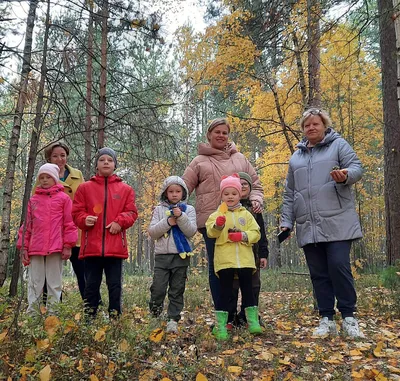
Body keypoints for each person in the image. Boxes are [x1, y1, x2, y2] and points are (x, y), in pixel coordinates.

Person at [280, 108, 364, 338]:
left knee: (339, 267)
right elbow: (290, 193)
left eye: (315, 124)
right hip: (308, 225)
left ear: (324, 125)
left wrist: (345, 175)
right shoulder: (296, 157)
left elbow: (357, 168)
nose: (311, 128)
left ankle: (349, 317)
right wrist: (286, 222)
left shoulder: (338, 145)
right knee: (318, 273)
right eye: (307, 125)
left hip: (338, 222)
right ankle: (326, 318)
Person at [182, 117, 264, 308]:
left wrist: (256, 199)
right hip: (213, 225)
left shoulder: (240, 159)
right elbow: (183, 189)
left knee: (244, 268)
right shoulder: (199, 161)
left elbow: (256, 185)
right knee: (218, 269)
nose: (221, 135)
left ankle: (245, 314)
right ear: (209, 135)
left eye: (224, 132)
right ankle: (223, 314)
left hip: (241, 221)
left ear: (228, 136)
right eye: (217, 132)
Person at [72, 148, 138, 318]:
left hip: (115, 247)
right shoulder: (85, 188)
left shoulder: (125, 189)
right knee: (91, 285)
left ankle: (115, 317)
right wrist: (84, 219)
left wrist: (119, 222)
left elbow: (131, 213)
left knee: (114, 284)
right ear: (97, 165)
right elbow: (76, 212)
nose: (106, 162)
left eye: (110, 160)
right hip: (91, 247)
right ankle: (89, 317)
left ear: (115, 164)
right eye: (102, 160)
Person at [206, 174, 262, 340]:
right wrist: (219, 225)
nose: (230, 197)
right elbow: (211, 232)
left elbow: (256, 233)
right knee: (225, 292)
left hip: (245, 260)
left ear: (240, 195)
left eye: (234, 193)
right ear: (221, 196)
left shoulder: (246, 214)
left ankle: (253, 323)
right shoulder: (217, 214)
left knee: (248, 291)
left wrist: (243, 236)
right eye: (226, 194)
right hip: (225, 261)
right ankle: (221, 326)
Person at [17, 163, 78, 314]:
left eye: (48, 177)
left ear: (55, 179)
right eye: (41, 177)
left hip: (56, 247)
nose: (44, 180)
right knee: (35, 282)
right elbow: (27, 225)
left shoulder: (64, 199)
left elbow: (69, 223)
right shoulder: (33, 200)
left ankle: (53, 315)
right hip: (35, 248)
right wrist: (23, 246)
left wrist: (68, 245)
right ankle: (33, 315)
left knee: (54, 283)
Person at [34, 141, 86, 300]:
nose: (59, 159)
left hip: (74, 229)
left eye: (62, 155)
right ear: (49, 158)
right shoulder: (43, 176)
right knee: (49, 273)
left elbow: (85, 198)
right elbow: (35, 202)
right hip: (51, 232)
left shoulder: (77, 175)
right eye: (55, 156)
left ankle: (91, 307)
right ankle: (50, 308)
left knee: (82, 271)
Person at [148, 176, 197, 333]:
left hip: (181, 256)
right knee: (158, 288)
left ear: (183, 193)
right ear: (165, 193)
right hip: (162, 256)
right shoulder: (159, 210)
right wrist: (168, 222)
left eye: (178, 191)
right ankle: (155, 315)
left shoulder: (189, 210)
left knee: (177, 289)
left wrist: (181, 217)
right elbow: (153, 232)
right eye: (171, 191)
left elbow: (191, 231)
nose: (174, 194)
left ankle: (172, 319)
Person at [228, 172, 269, 328]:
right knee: (232, 287)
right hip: (232, 256)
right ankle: (230, 317)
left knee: (253, 286)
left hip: (252, 255)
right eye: (240, 183)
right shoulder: (227, 206)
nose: (243, 186)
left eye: (246, 184)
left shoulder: (254, 209)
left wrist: (264, 254)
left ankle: (248, 316)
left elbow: (261, 233)